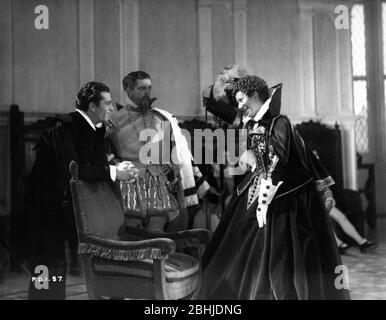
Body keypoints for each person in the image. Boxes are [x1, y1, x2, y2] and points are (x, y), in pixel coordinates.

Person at [199, 75, 350, 300]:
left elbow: (281, 160)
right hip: (257, 191)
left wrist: (252, 158)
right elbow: (230, 115)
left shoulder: (281, 122)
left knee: (278, 257)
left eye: (242, 100)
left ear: (256, 96)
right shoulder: (254, 121)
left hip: (283, 199)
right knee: (237, 243)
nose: (240, 107)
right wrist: (215, 95)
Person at [25, 81, 138, 299]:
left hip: (72, 203)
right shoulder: (65, 126)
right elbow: (75, 171)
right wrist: (114, 172)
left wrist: (116, 169)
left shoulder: (96, 130)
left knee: (71, 259)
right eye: (107, 104)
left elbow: (95, 168)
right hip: (46, 205)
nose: (112, 109)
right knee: (49, 263)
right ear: (92, 106)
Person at [107, 71, 209, 233]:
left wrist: (170, 165)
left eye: (149, 88)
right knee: (131, 231)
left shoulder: (161, 117)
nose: (147, 93)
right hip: (129, 182)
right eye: (141, 88)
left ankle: (159, 258)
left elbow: (175, 151)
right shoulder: (114, 119)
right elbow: (104, 152)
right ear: (128, 89)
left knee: (157, 231)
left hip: (158, 182)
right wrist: (118, 165)